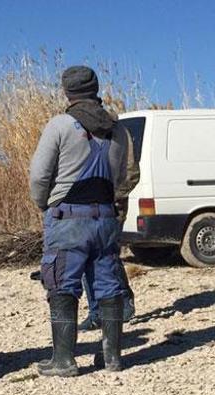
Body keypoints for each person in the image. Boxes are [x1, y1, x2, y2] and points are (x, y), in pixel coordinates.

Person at [30, 66, 130, 376]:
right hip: (105, 218)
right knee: (109, 284)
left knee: (62, 284)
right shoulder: (118, 129)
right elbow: (122, 176)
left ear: (66, 91)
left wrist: (44, 204)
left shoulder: (60, 125)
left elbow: (39, 175)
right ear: (96, 88)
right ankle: (112, 357)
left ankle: (64, 360)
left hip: (68, 218)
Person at [79, 120, 140, 332]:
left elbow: (132, 173)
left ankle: (124, 300)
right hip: (86, 207)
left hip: (113, 208)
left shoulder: (119, 132)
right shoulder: (80, 131)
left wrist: (112, 196)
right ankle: (96, 313)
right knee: (88, 256)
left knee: (108, 256)